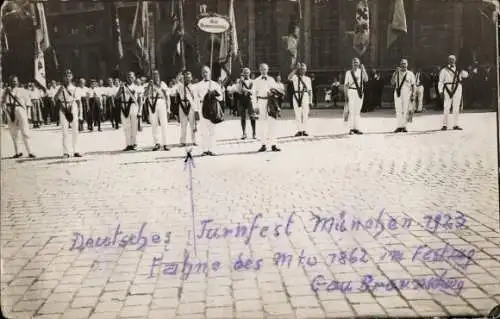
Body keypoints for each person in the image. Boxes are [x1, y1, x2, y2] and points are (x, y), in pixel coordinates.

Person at [1, 75, 36, 158]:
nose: (14, 82)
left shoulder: (22, 90)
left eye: (15, 81)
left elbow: (28, 103)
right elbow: (2, 102)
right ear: (9, 82)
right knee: (14, 132)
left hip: (20, 109)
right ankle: (18, 152)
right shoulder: (5, 91)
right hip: (10, 110)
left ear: (18, 82)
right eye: (12, 81)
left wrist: (28, 115)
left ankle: (30, 151)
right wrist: (6, 94)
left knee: (25, 131)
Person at [254, 63, 283, 152]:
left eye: (265, 69)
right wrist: (255, 106)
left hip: (271, 102)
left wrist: (273, 93)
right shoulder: (256, 80)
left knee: (272, 123)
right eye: (262, 69)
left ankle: (273, 144)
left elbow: (277, 91)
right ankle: (263, 144)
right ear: (259, 70)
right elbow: (253, 94)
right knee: (262, 124)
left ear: (268, 70)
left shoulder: (271, 79)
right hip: (261, 102)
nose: (263, 71)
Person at [54, 69, 82, 158]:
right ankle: (65, 152)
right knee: (65, 131)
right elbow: (55, 99)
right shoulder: (60, 88)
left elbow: (78, 102)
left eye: (69, 76)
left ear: (72, 77)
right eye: (65, 76)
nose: (67, 77)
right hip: (63, 109)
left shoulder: (75, 88)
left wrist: (80, 114)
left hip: (73, 107)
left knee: (75, 130)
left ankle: (76, 150)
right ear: (63, 77)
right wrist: (59, 91)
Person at [196, 66, 223, 156]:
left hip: (212, 108)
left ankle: (211, 149)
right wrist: (196, 110)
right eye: (203, 72)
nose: (205, 74)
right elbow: (196, 98)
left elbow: (221, 98)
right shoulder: (198, 85)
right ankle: (204, 149)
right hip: (203, 108)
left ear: (210, 73)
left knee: (212, 129)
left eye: (206, 72)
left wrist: (213, 93)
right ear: (201, 73)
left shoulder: (215, 84)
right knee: (203, 130)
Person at [438, 54, 468, 130]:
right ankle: (445, 125)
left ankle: (456, 124)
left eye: (453, 59)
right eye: (450, 59)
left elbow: (466, 75)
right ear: (448, 60)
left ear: (455, 60)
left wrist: (462, 70)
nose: (451, 61)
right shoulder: (444, 70)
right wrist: (440, 91)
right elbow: (440, 81)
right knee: (446, 107)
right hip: (447, 88)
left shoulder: (459, 69)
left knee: (456, 107)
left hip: (457, 88)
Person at [145, 70, 170, 151]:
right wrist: (149, 86)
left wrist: (168, 108)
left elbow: (167, 96)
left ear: (159, 75)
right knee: (154, 123)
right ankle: (157, 143)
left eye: (156, 74)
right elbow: (145, 95)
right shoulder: (148, 84)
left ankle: (165, 143)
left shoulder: (162, 84)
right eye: (153, 75)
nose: (155, 76)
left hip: (161, 102)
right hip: (152, 103)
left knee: (164, 123)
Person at [116, 72, 142, 151]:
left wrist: (140, 111)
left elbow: (140, 100)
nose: (129, 78)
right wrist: (120, 87)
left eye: (131, 77)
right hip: (124, 106)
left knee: (134, 126)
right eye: (128, 77)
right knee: (126, 126)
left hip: (134, 106)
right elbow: (117, 96)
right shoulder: (123, 86)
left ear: (134, 78)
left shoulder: (137, 87)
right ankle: (128, 144)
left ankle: (134, 143)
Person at [344, 58, 368, 135]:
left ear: (359, 64)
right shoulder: (348, 73)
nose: (355, 64)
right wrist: (346, 96)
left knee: (357, 111)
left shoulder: (361, 72)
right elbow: (346, 85)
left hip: (359, 92)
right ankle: (351, 128)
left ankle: (357, 128)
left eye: (357, 63)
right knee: (351, 111)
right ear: (352, 64)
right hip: (351, 91)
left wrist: (364, 70)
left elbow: (366, 80)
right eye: (354, 63)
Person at [390, 58, 416, 133]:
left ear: (407, 64)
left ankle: (404, 126)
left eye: (404, 63)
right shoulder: (396, 73)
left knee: (406, 110)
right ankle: (399, 126)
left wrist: (413, 94)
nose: (403, 65)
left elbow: (414, 85)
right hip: (398, 92)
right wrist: (395, 73)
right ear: (400, 65)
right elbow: (392, 82)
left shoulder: (410, 73)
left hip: (407, 93)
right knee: (398, 110)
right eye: (402, 63)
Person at [288, 62, 313, 137]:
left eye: (304, 69)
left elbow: (310, 90)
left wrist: (310, 100)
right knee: (297, 114)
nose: (302, 70)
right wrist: (295, 69)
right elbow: (288, 77)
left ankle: (304, 130)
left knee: (305, 113)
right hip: (296, 95)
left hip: (305, 95)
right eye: (301, 69)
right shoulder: (295, 77)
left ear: (306, 70)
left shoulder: (308, 79)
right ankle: (299, 130)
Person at [176, 71, 198, 146]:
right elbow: (177, 80)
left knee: (193, 124)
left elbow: (196, 99)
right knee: (183, 124)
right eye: (185, 77)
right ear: (183, 78)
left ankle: (194, 140)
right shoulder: (180, 86)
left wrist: (196, 110)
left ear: (191, 78)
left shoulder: (194, 87)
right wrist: (180, 73)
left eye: (189, 77)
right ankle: (182, 141)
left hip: (191, 105)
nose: (187, 79)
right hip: (182, 105)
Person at [235, 67, 257, 140]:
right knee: (243, 117)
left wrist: (247, 90)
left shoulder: (252, 81)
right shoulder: (240, 82)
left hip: (250, 100)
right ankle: (244, 133)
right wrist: (240, 84)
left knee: (252, 116)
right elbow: (238, 91)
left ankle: (254, 133)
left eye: (247, 73)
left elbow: (254, 92)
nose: (246, 74)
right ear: (243, 74)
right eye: (244, 73)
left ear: (249, 73)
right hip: (242, 100)